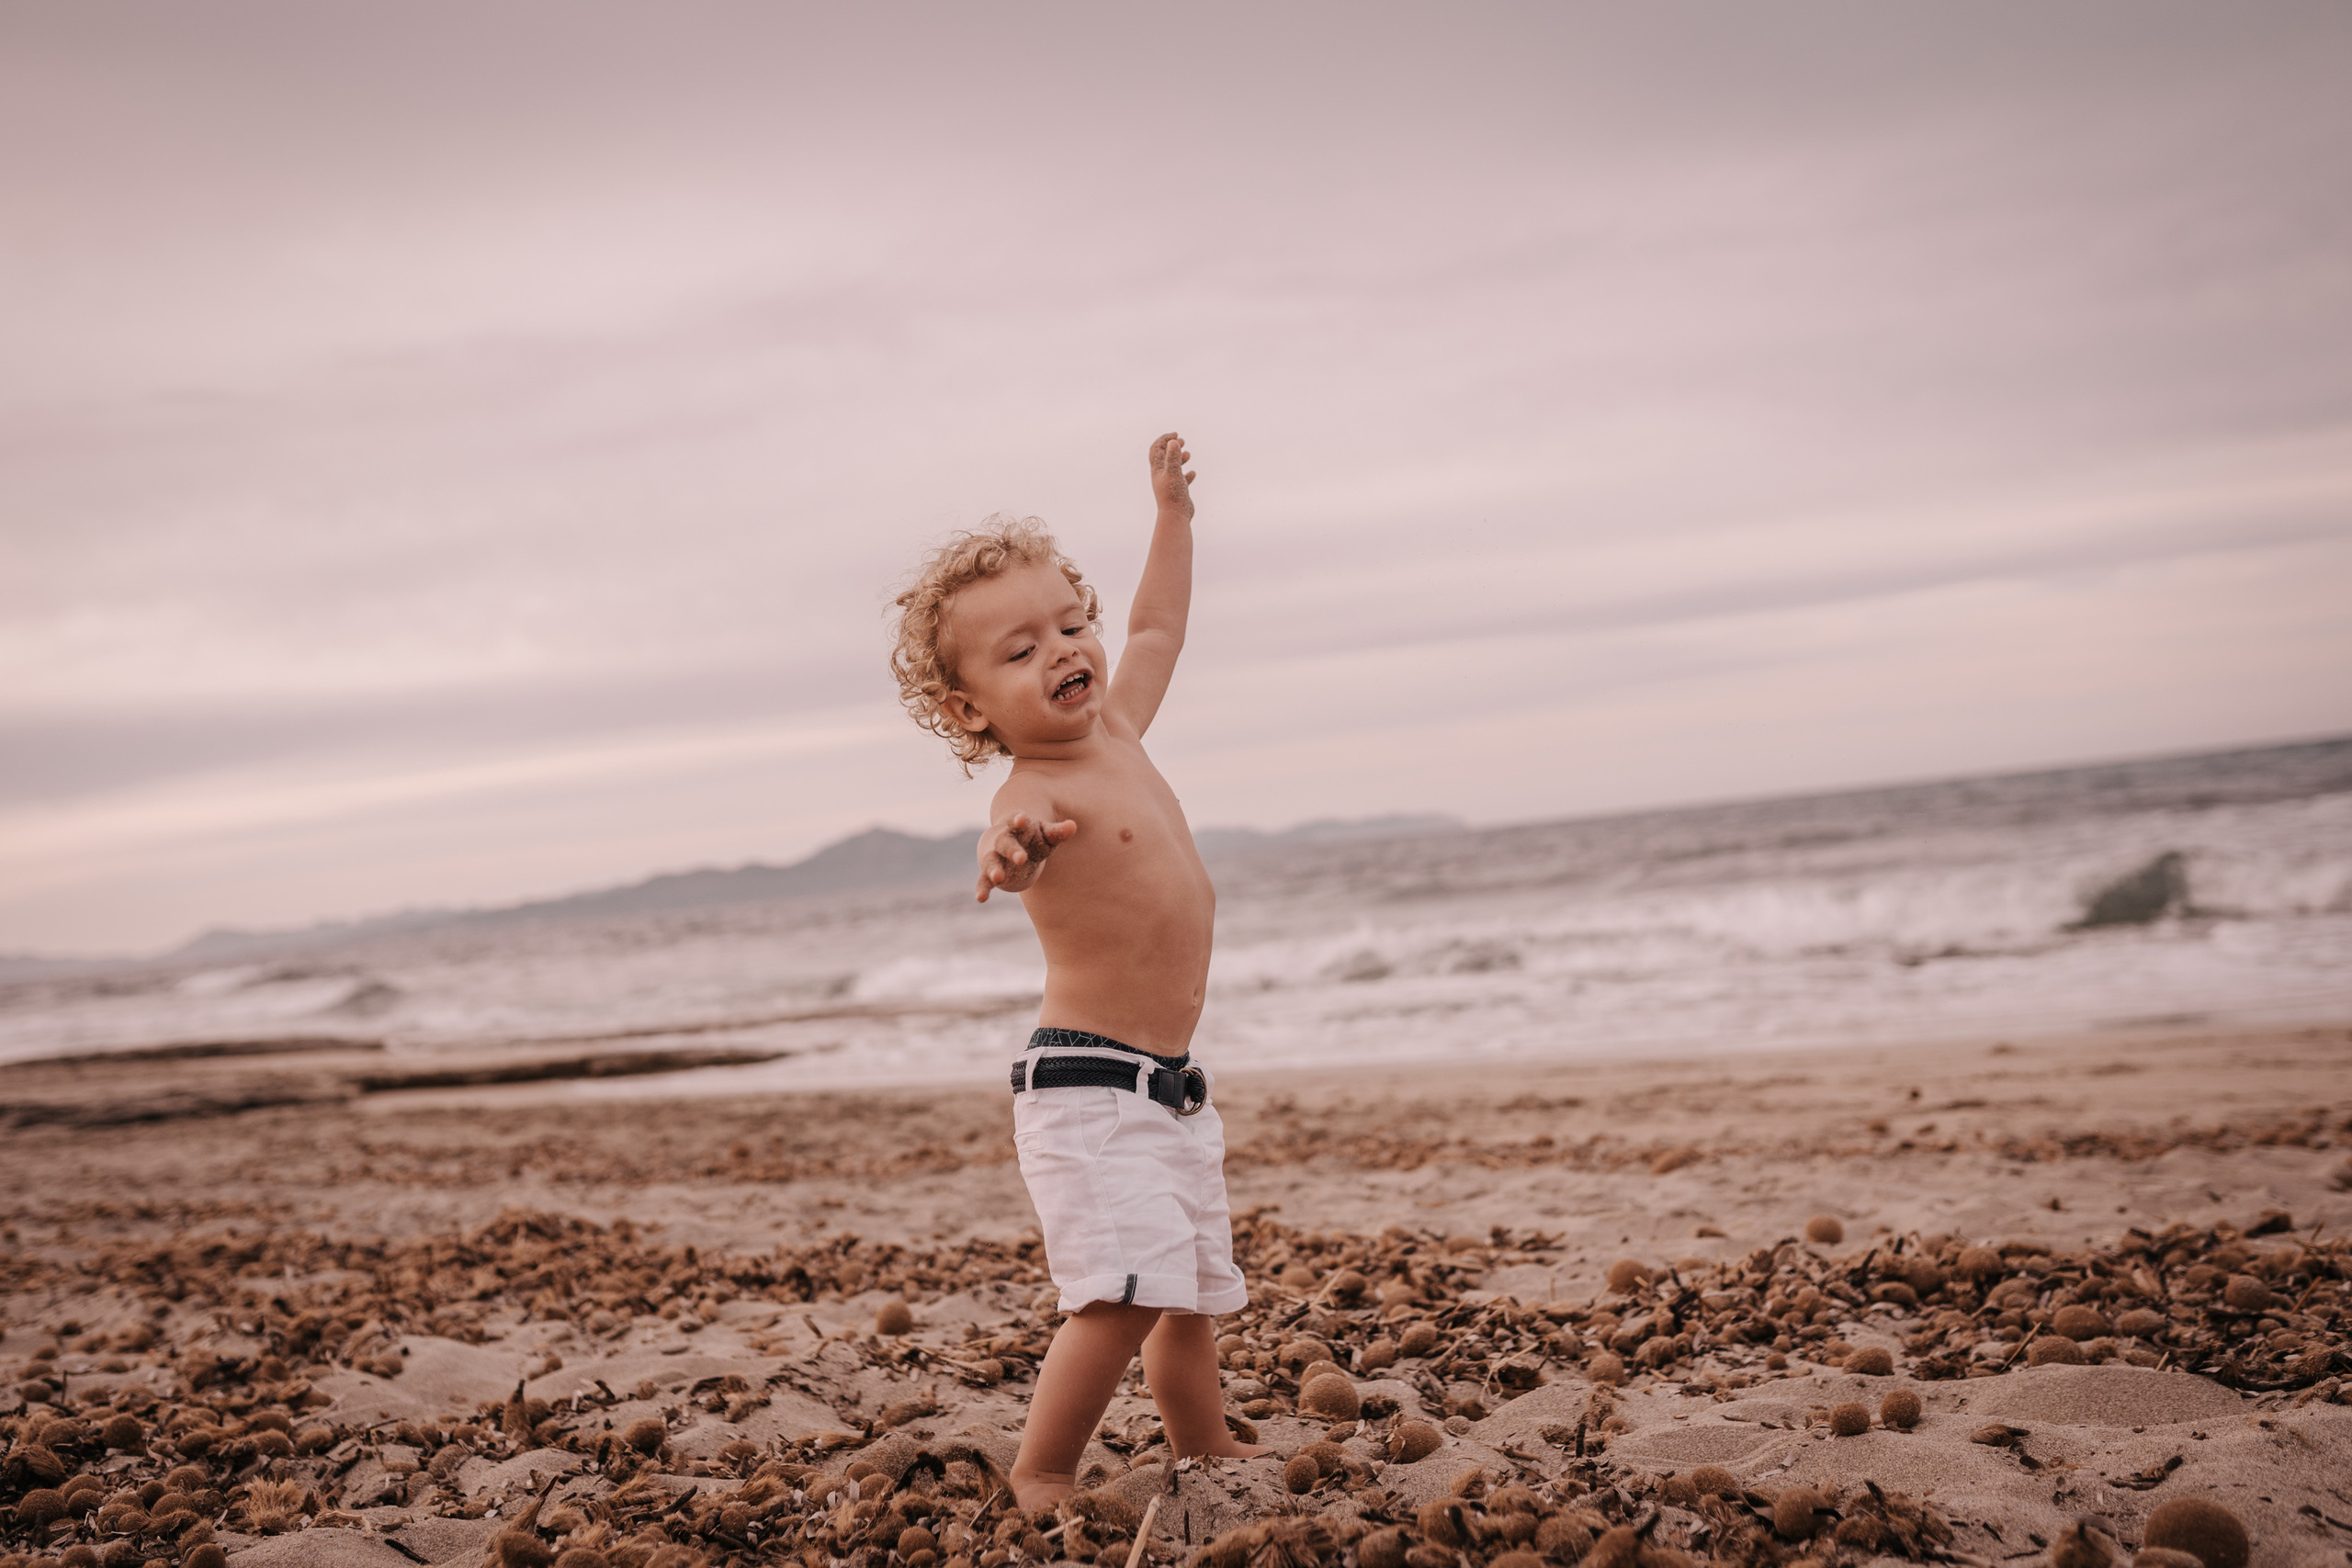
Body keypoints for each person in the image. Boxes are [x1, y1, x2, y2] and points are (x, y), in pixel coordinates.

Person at [888, 432, 1269, 1509]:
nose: (1062, 650)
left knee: (1186, 1289)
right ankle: (1043, 1467)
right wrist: (1007, 855)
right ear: (970, 710)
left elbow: (1156, 624)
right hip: (1090, 1089)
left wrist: (1172, 518)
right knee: (1118, 1297)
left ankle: (1201, 1444)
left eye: (1068, 624)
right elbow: (1005, 830)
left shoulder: (1120, 730)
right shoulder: (1033, 787)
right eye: (1018, 652)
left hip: (1169, 1085)